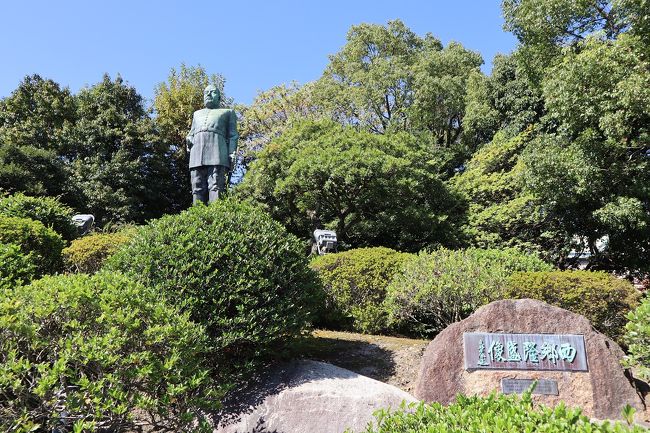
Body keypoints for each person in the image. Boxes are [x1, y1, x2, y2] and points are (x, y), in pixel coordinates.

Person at [186, 85, 238, 204]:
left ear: (219, 97)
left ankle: (216, 216)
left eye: (212, 92)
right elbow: (191, 133)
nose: (208, 95)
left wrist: (231, 153)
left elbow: (233, 135)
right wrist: (188, 139)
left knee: (216, 184)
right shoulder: (196, 114)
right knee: (196, 185)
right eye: (206, 93)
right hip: (197, 153)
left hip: (217, 152)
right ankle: (197, 217)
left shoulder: (228, 112)